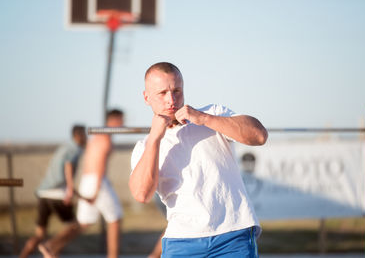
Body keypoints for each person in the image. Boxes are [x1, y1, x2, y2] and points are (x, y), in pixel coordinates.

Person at [129, 62, 268, 258]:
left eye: (176, 90)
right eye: (162, 93)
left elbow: (259, 136)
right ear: (146, 97)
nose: (171, 99)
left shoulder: (212, 113)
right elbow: (141, 194)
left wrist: (204, 119)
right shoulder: (144, 146)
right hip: (181, 241)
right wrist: (155, 138)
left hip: (233, 234)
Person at [39, 109, 124, 258]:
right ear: (114, 120)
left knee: (84, 222)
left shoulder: (97, 137)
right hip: (97, 180)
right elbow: (100, 164)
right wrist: (97, 190)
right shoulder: (105, 138)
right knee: (115, 218)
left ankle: (51, 246)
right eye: (121, 120)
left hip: (87, 180)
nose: (123, 124)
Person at [19, 125, 86, 258]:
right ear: (78, 135)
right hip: (57, 194)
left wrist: (80, 195)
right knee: (75, 227)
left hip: (43, 194)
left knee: (39, 235)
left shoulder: (63, 148)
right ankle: (49, 246)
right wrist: (70, 191)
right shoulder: (75, 149)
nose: (86, 138)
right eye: (85, 135)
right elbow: (68, 166)